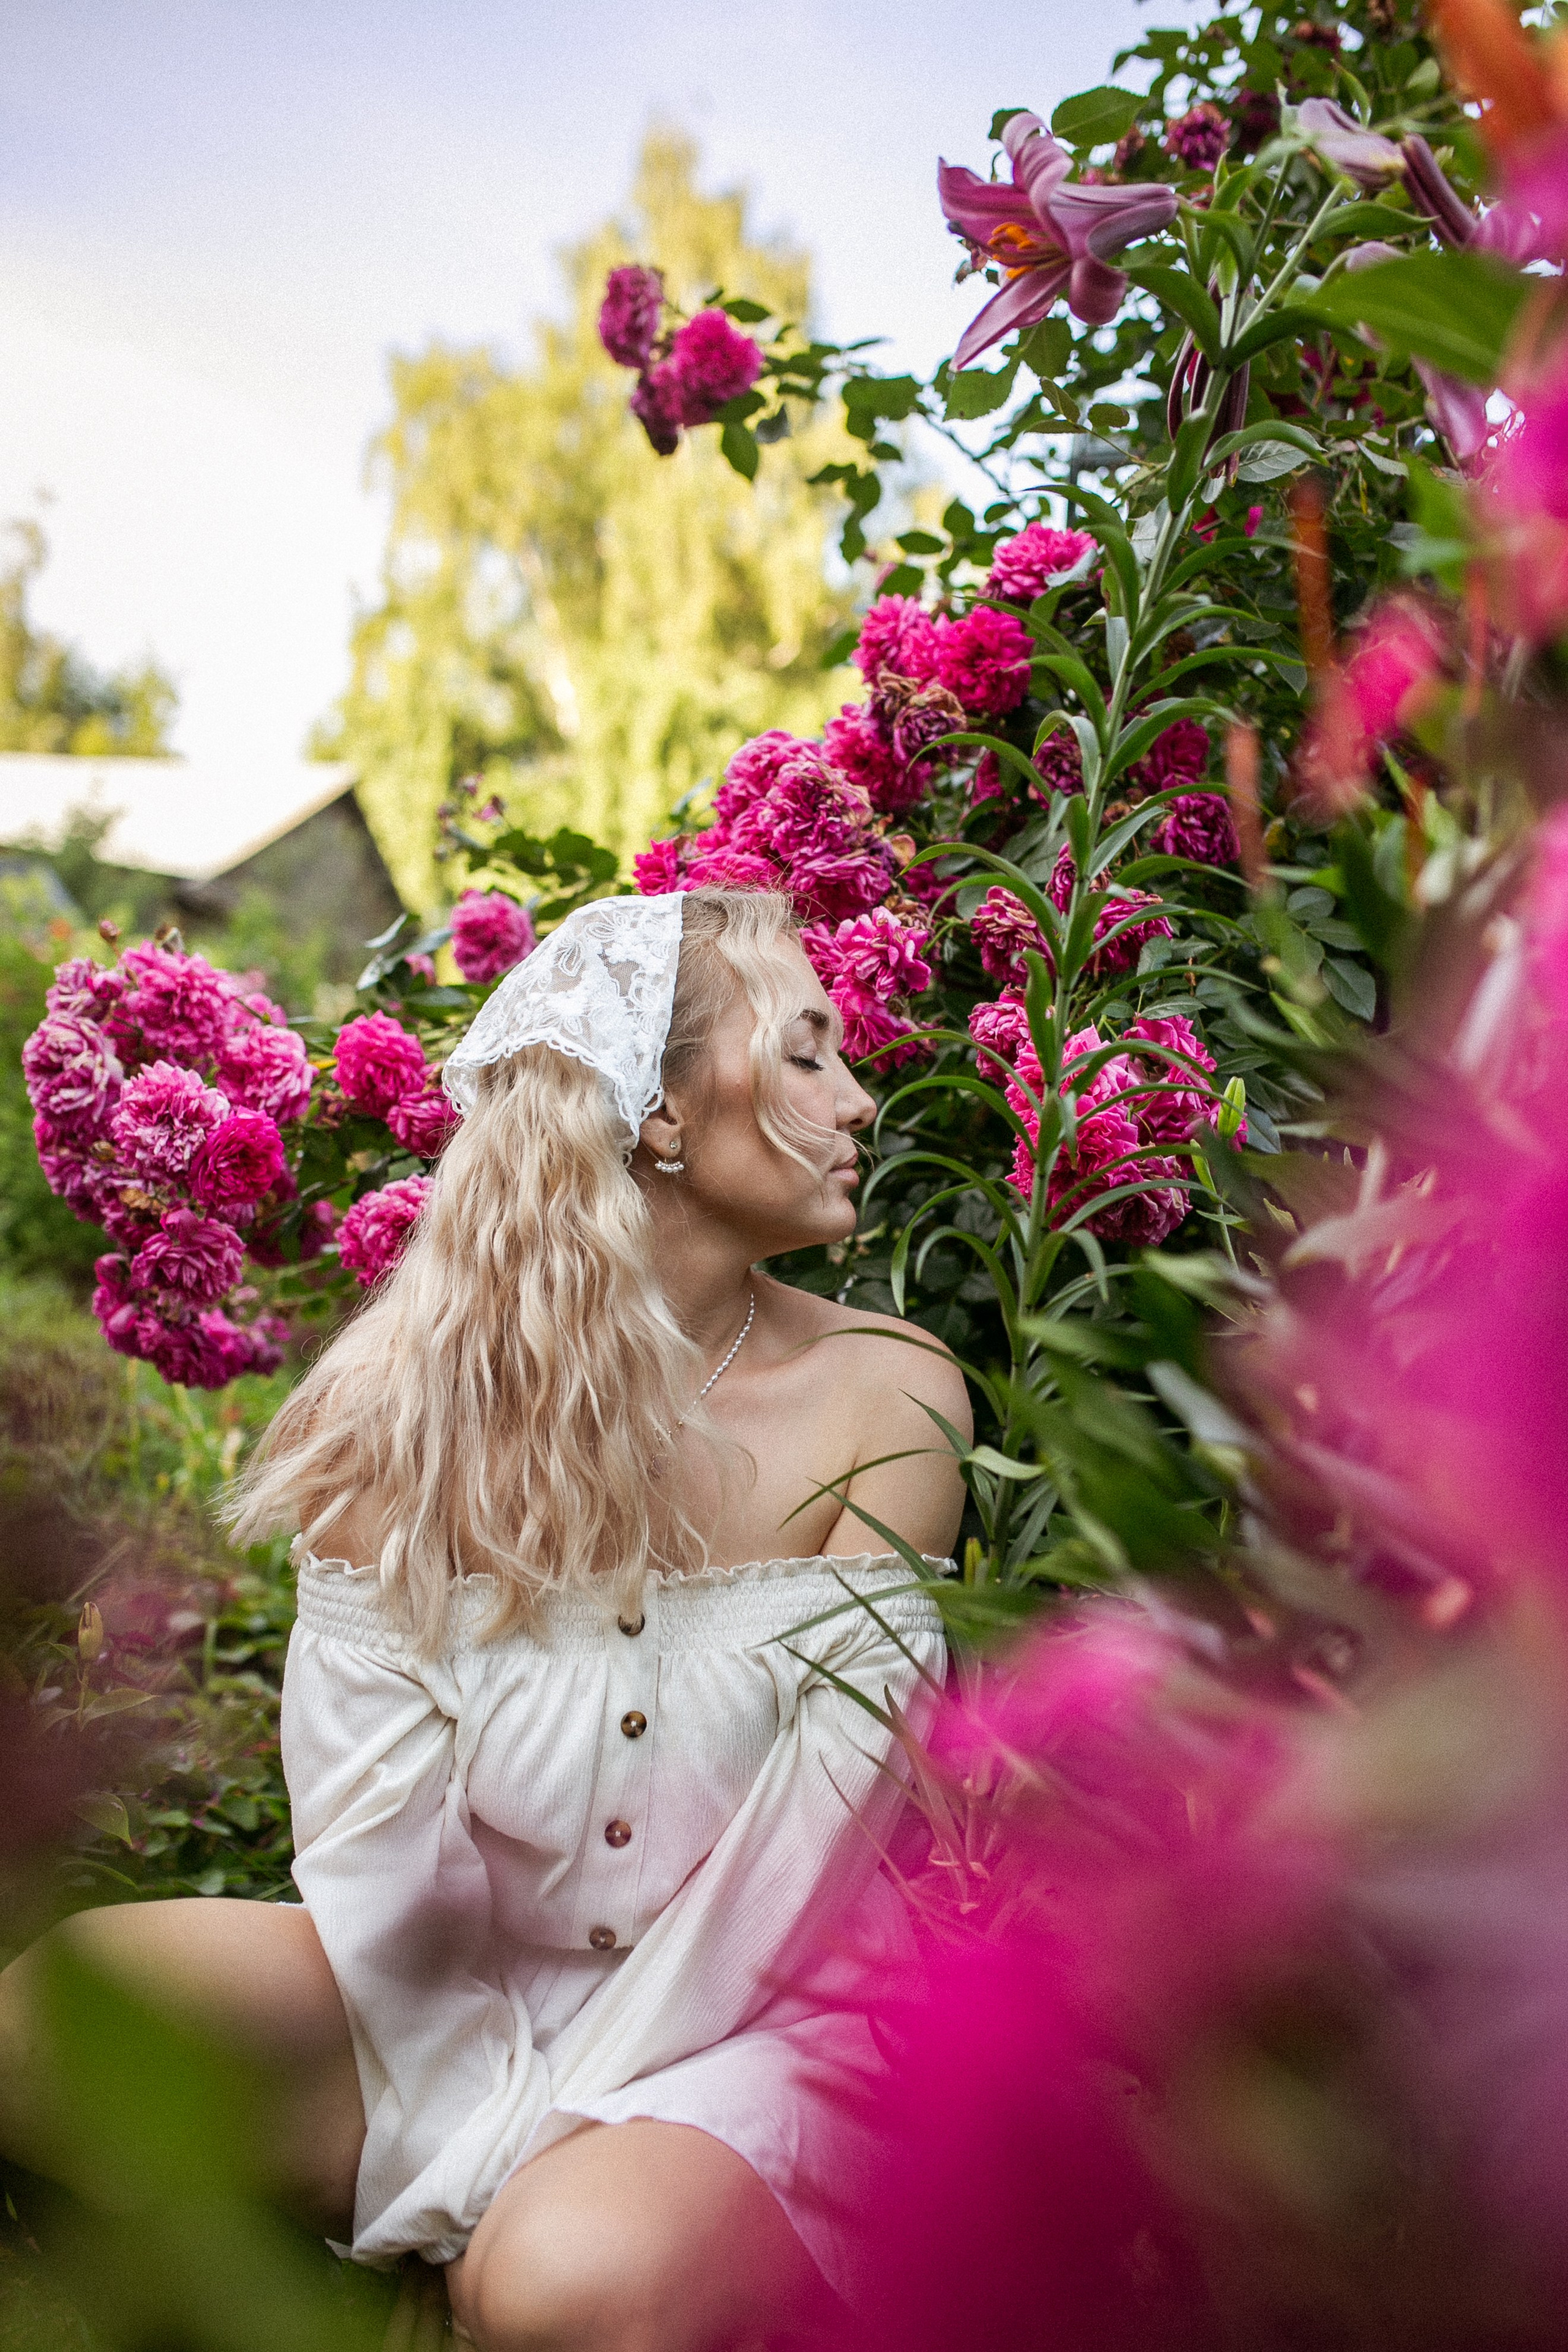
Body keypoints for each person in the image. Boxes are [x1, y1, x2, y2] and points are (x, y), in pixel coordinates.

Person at [0, 889, 969, 2352]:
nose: (857, 1098)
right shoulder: (394, 1416)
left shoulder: (886, 1395)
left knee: (563, 2281)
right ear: (656, 1112)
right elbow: (372, 1848)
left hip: (767, 2019)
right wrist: (487, 2145)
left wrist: (542, 2171)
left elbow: (807, 1862)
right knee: (42, 2023)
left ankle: (520, 2253)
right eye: (806, 1053)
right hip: (450, 2004)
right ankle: (449, 2231)